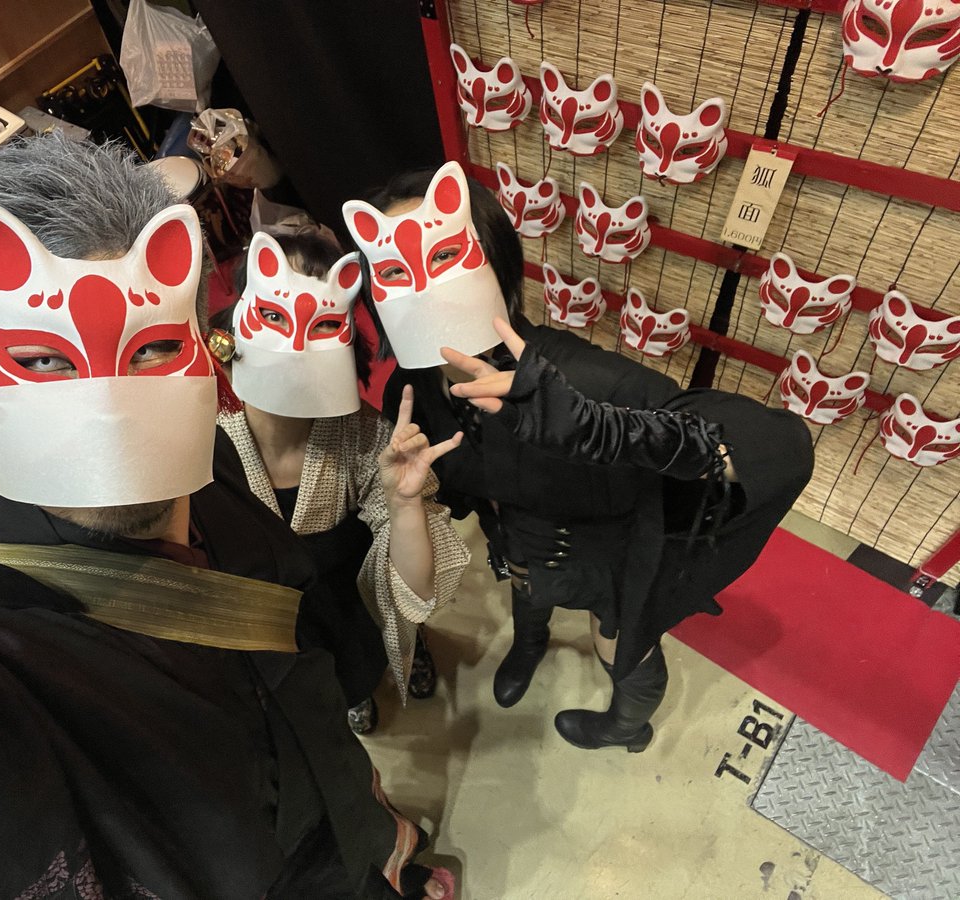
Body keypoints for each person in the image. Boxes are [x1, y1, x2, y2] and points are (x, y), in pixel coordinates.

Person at [0, 137, 453, 900]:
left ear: (205, 350)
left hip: (350, 826)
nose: (109, 406)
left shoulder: (221, 472)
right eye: (43, 359)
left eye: (152, 348)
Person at [344, 161, 813, 752]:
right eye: (394, 271)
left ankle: (628, 725)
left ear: (495, 261)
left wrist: (600, 429)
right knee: (526, 593)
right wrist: (407, 503)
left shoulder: (573, 376)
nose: (421, 291)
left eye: (442, 258)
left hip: (607, 557)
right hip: (517, 550)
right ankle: (530, 644)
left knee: (620, 647)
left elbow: (778, 448)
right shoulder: (411, 395)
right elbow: (432, 540)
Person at [210, 228, 470, 734]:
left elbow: (418, 584)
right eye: (274, 315)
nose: (296, 346)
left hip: (348, 608)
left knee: (361, 658)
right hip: (265, 622)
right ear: (235, 325)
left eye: (325, 324)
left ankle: (385, 668)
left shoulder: (365, 441)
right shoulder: (203, 435)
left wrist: (404, 504)